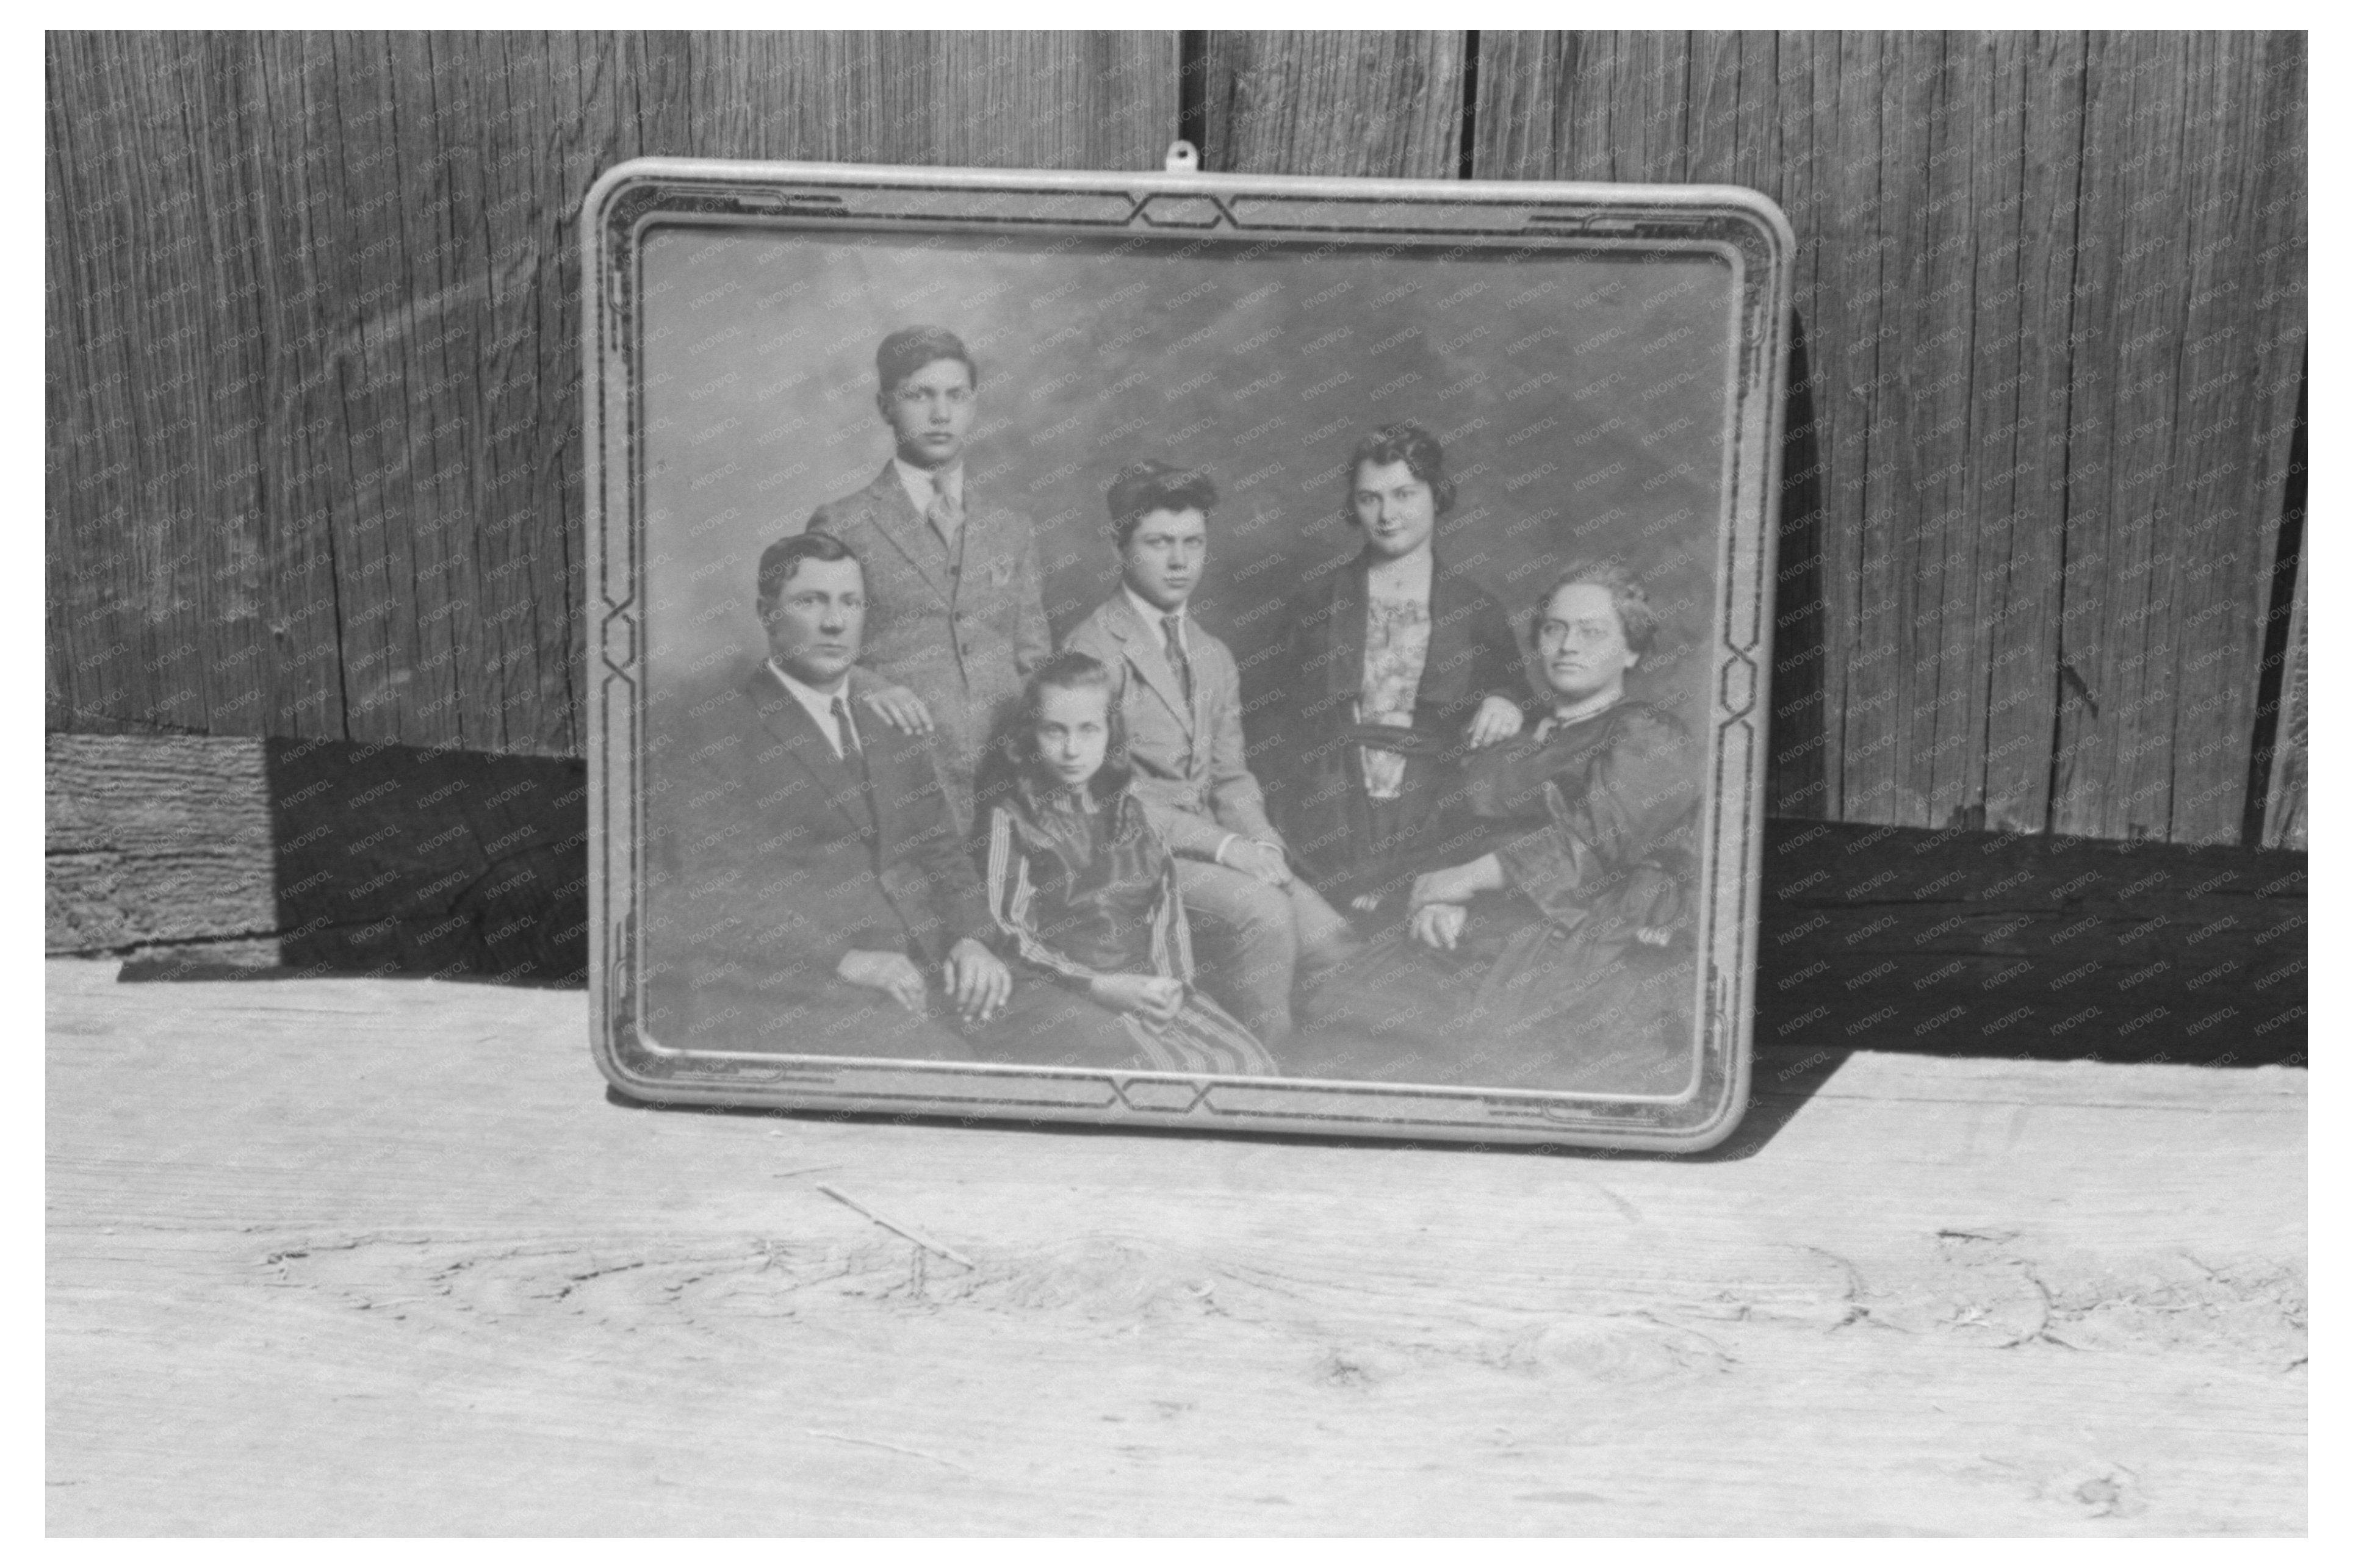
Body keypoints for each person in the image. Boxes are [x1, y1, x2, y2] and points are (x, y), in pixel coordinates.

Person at [641, 531, 1096, 1063]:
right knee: (948, 1076)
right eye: (811, 602)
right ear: (767, 613)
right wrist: (844, 959)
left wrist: (971, 939)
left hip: (936, 970)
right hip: (811, 985)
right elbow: (712, 887)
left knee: (1093, 1041)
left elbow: (944, 856)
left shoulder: (889, 727)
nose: (835, 622)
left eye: (850, 603)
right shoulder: (713, 730)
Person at [1297, 562, 1703, 1093]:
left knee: (1475, 1049)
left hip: (1577, 925)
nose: (1567, 645)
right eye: (1554, 629)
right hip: (1467, 918)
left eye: (1592, 631)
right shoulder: (1514, 736)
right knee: (1335, 1012)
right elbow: (1448, 830)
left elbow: (1597, 838)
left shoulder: (1647, 732)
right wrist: (1434, 893)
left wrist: (1463, 881)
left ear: (1631, 650)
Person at [1059, 460, 1358, 1046]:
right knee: (1266, 916)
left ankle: (1314, 1075)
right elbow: (1099, 801)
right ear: (1120, 547)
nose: (1179, 562)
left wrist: (1263, 842)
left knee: (1332, 941)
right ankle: (1256, 1085)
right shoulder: (1092, 649)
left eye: (1193, 543)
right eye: (1159, 543)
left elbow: (1231, 777)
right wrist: (1228, 847)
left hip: (1214, 849)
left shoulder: (1212, 652)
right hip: (1124, 858)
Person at [1267, 422, 1529, 918]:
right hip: (1328, 808)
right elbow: (1272, 721)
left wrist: (1505, 698)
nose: (1387, 516)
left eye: (1404, 494)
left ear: (1436, 494)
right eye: (1370, 499)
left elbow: (1518, 692)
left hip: (1433, 812)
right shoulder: (1315, 603)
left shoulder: (1477, 608)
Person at [982, 652, 1280, 1077]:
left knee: (1248, 1064)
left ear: (1110, 733)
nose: (1071, 749)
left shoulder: (1134, 812)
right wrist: (1100, 986)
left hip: (1148, 986)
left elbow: (1167, 912)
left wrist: (1172, 986)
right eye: (1054, 731)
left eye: (1089, 730)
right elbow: (1009, 930)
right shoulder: (1011, 819)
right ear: (1032, 734)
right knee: (1161, 1074)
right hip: (1071, 989)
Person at [807, 325, 1052, 832]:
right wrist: (867, 685)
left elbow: (1033, 660)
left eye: (955, 396)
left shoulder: (1012, 528)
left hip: (1010, 787)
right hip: (900, 787)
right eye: (920, 395)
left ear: (973, 405)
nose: (941, 415)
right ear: (885, 406)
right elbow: (808, 658)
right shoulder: (844, 524)